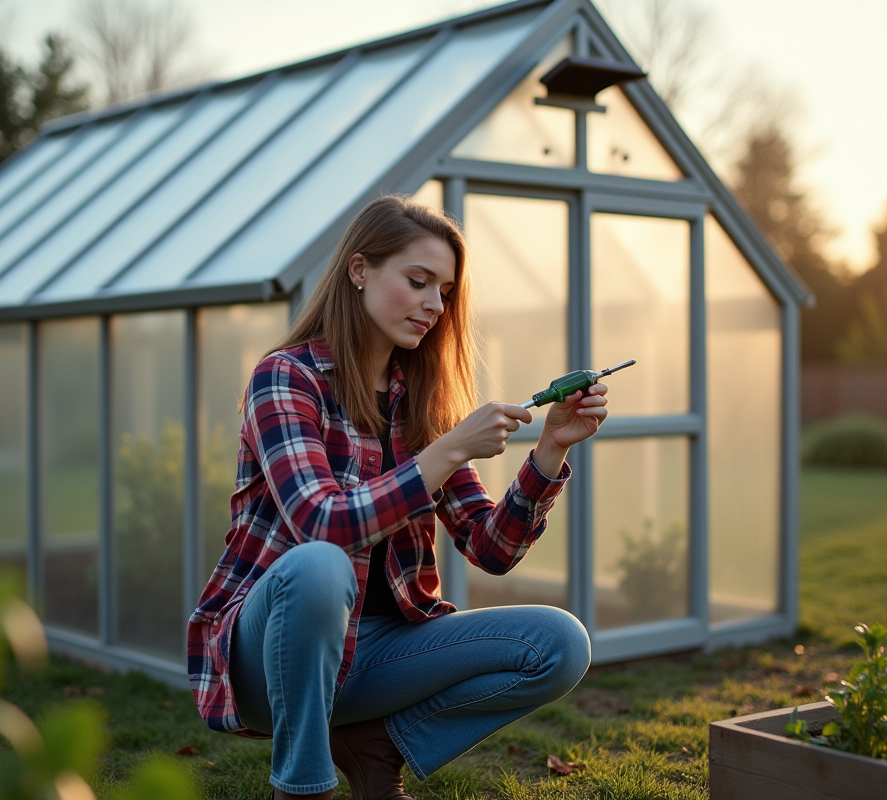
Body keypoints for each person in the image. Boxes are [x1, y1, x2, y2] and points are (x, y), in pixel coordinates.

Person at [187, 195, 609, 800]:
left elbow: (491, 549)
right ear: (360, 271)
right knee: (319, 566)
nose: (435, 306)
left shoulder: (424, 400)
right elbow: (321, 524)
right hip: (268, 660)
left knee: (560, 644)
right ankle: (304, 786)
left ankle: (377, 746)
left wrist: (550, 451)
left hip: (375, 651)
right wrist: (448, 450)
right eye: (418, 282)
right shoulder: (286, 377)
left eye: (444, 292)